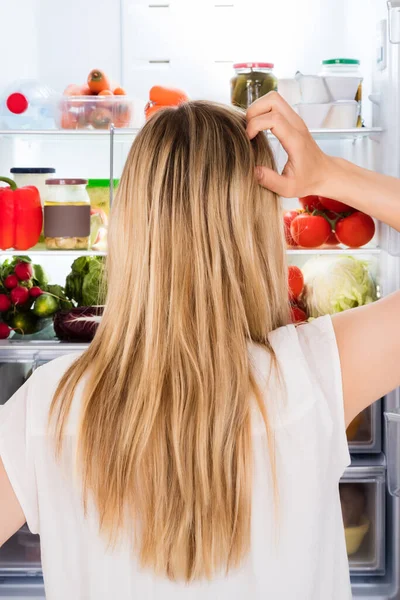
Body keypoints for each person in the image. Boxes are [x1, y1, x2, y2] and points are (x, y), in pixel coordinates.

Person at [0, 96, 399, 600]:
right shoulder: (314, 373)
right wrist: (329, 175)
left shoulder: (48, 405)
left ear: (133, 227)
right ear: (258, 228)